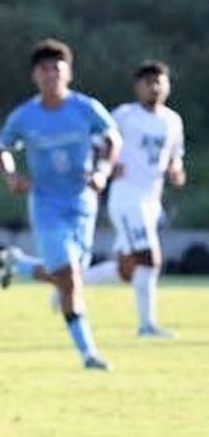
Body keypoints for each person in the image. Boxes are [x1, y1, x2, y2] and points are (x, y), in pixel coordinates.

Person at [0, 38, 120, 371]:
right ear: (35, 76)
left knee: (68, 275)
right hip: (46, 204)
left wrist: (104, 172)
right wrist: (11, 177)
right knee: (70, 278)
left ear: (69, 73)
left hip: (83, 205)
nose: (51, 75)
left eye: (57, 68)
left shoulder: (86, 108)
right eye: (44, 69)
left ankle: (17, 265)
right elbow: (1, 149)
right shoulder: (25, 116)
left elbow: (113, 139)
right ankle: (88, 353)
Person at [78, 60, 186, 337]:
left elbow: (175, 158)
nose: (154, 87)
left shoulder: (173, 121)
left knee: (128, 270)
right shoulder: (125, 115)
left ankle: (71, 283)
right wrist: (107, 167)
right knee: (151, 259)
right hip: (127, 199)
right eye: (148, 82)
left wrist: (176, 171)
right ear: (137, 87)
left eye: (159, 81)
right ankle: (147, 326)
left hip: (152, 201)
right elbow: (97, 145)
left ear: (168, 86)